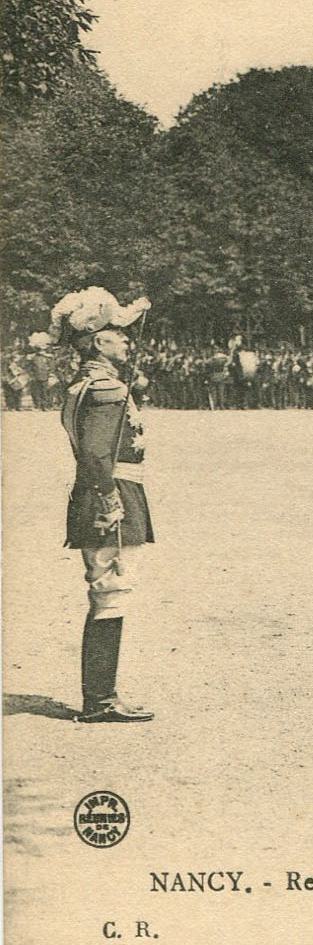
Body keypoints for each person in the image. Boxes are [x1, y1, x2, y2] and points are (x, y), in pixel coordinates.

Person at [49, 286, 155, 722]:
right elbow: (96, 454)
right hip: (111, 494)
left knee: (108, 592)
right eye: (118, 335)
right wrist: (111, 498)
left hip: (100, 491)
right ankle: (100, 700)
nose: (127, 341)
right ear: (98, 342)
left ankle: (102, 695)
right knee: (111, 592)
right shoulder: (105, 388)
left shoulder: (84, 385)